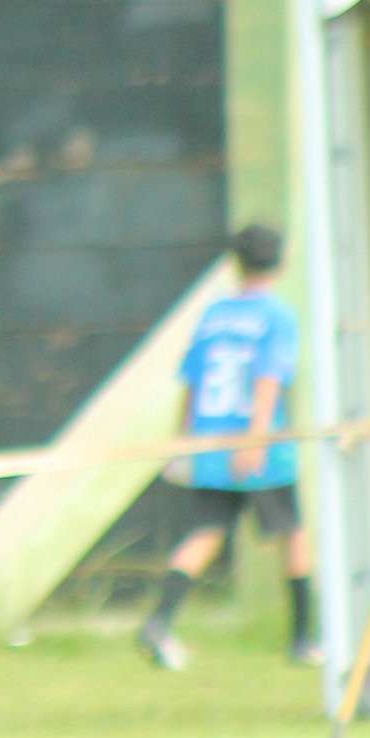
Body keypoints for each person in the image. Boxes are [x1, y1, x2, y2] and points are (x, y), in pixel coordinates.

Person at [139, 223, 317, 672]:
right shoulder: (278, 317)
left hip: (211, 440)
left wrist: (184, 437)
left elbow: (191, 379)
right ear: (281, 262)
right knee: (294, 534)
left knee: (206, 532)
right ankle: (303, 640)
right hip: (257, 445)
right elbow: (268, 377)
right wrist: (256, 438)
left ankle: (159, 623)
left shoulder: (213, 315)